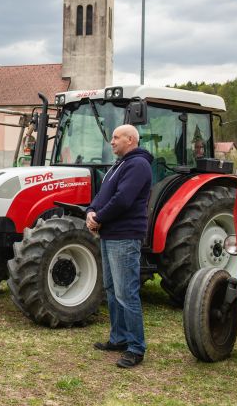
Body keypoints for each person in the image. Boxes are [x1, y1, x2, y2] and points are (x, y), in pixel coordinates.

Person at [86, 124, 153, 369]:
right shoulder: (120, 164)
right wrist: (91, 211)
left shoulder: (138, 165)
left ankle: (136, 347)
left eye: (116, 137)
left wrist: (99, 218)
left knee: (127, 293)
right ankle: (119, 338)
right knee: (112, 289)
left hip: (124, 236)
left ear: (130, 139)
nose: (111, 141)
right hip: (109, 234)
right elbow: (104, 194)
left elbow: (123, 200)